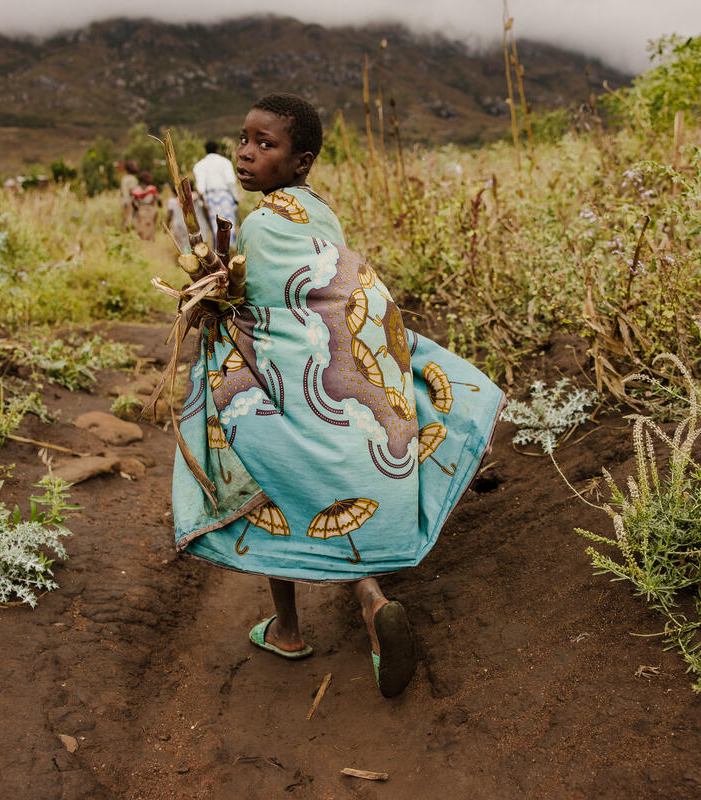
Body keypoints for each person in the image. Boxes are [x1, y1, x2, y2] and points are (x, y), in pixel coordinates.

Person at [170, 93, 503, 698]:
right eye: (243, 139)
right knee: (330, 487)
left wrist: (212, 307)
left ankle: (290, 630)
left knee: (274, 479)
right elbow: (321, 295)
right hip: (334, 374)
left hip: (287, 382)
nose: (246, 154)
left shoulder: (263, 223)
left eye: (265, 145)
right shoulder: (316, 210)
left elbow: (268, 313)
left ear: (300, 160)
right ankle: (373, 603)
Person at [192, 140, 239, 245]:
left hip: (210, 198)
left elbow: (200, 187)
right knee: (229, 224)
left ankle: (218, 253)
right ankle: (229, 250)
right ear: (218, 150)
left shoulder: (200, 165)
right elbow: (231, 182)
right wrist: (236, 198)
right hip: (225, 196)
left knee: (215, 226)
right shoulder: (225, 162)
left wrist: (203, 201)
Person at [130, 169, 159, 241]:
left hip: (141, 211)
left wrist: (136, 208)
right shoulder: (152, 188)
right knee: (150, 227)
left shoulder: (136, 190)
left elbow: (132, 201)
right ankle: (150, 241)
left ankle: (143, 242)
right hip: (150, 211)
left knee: (142, 228)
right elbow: (158, 199)